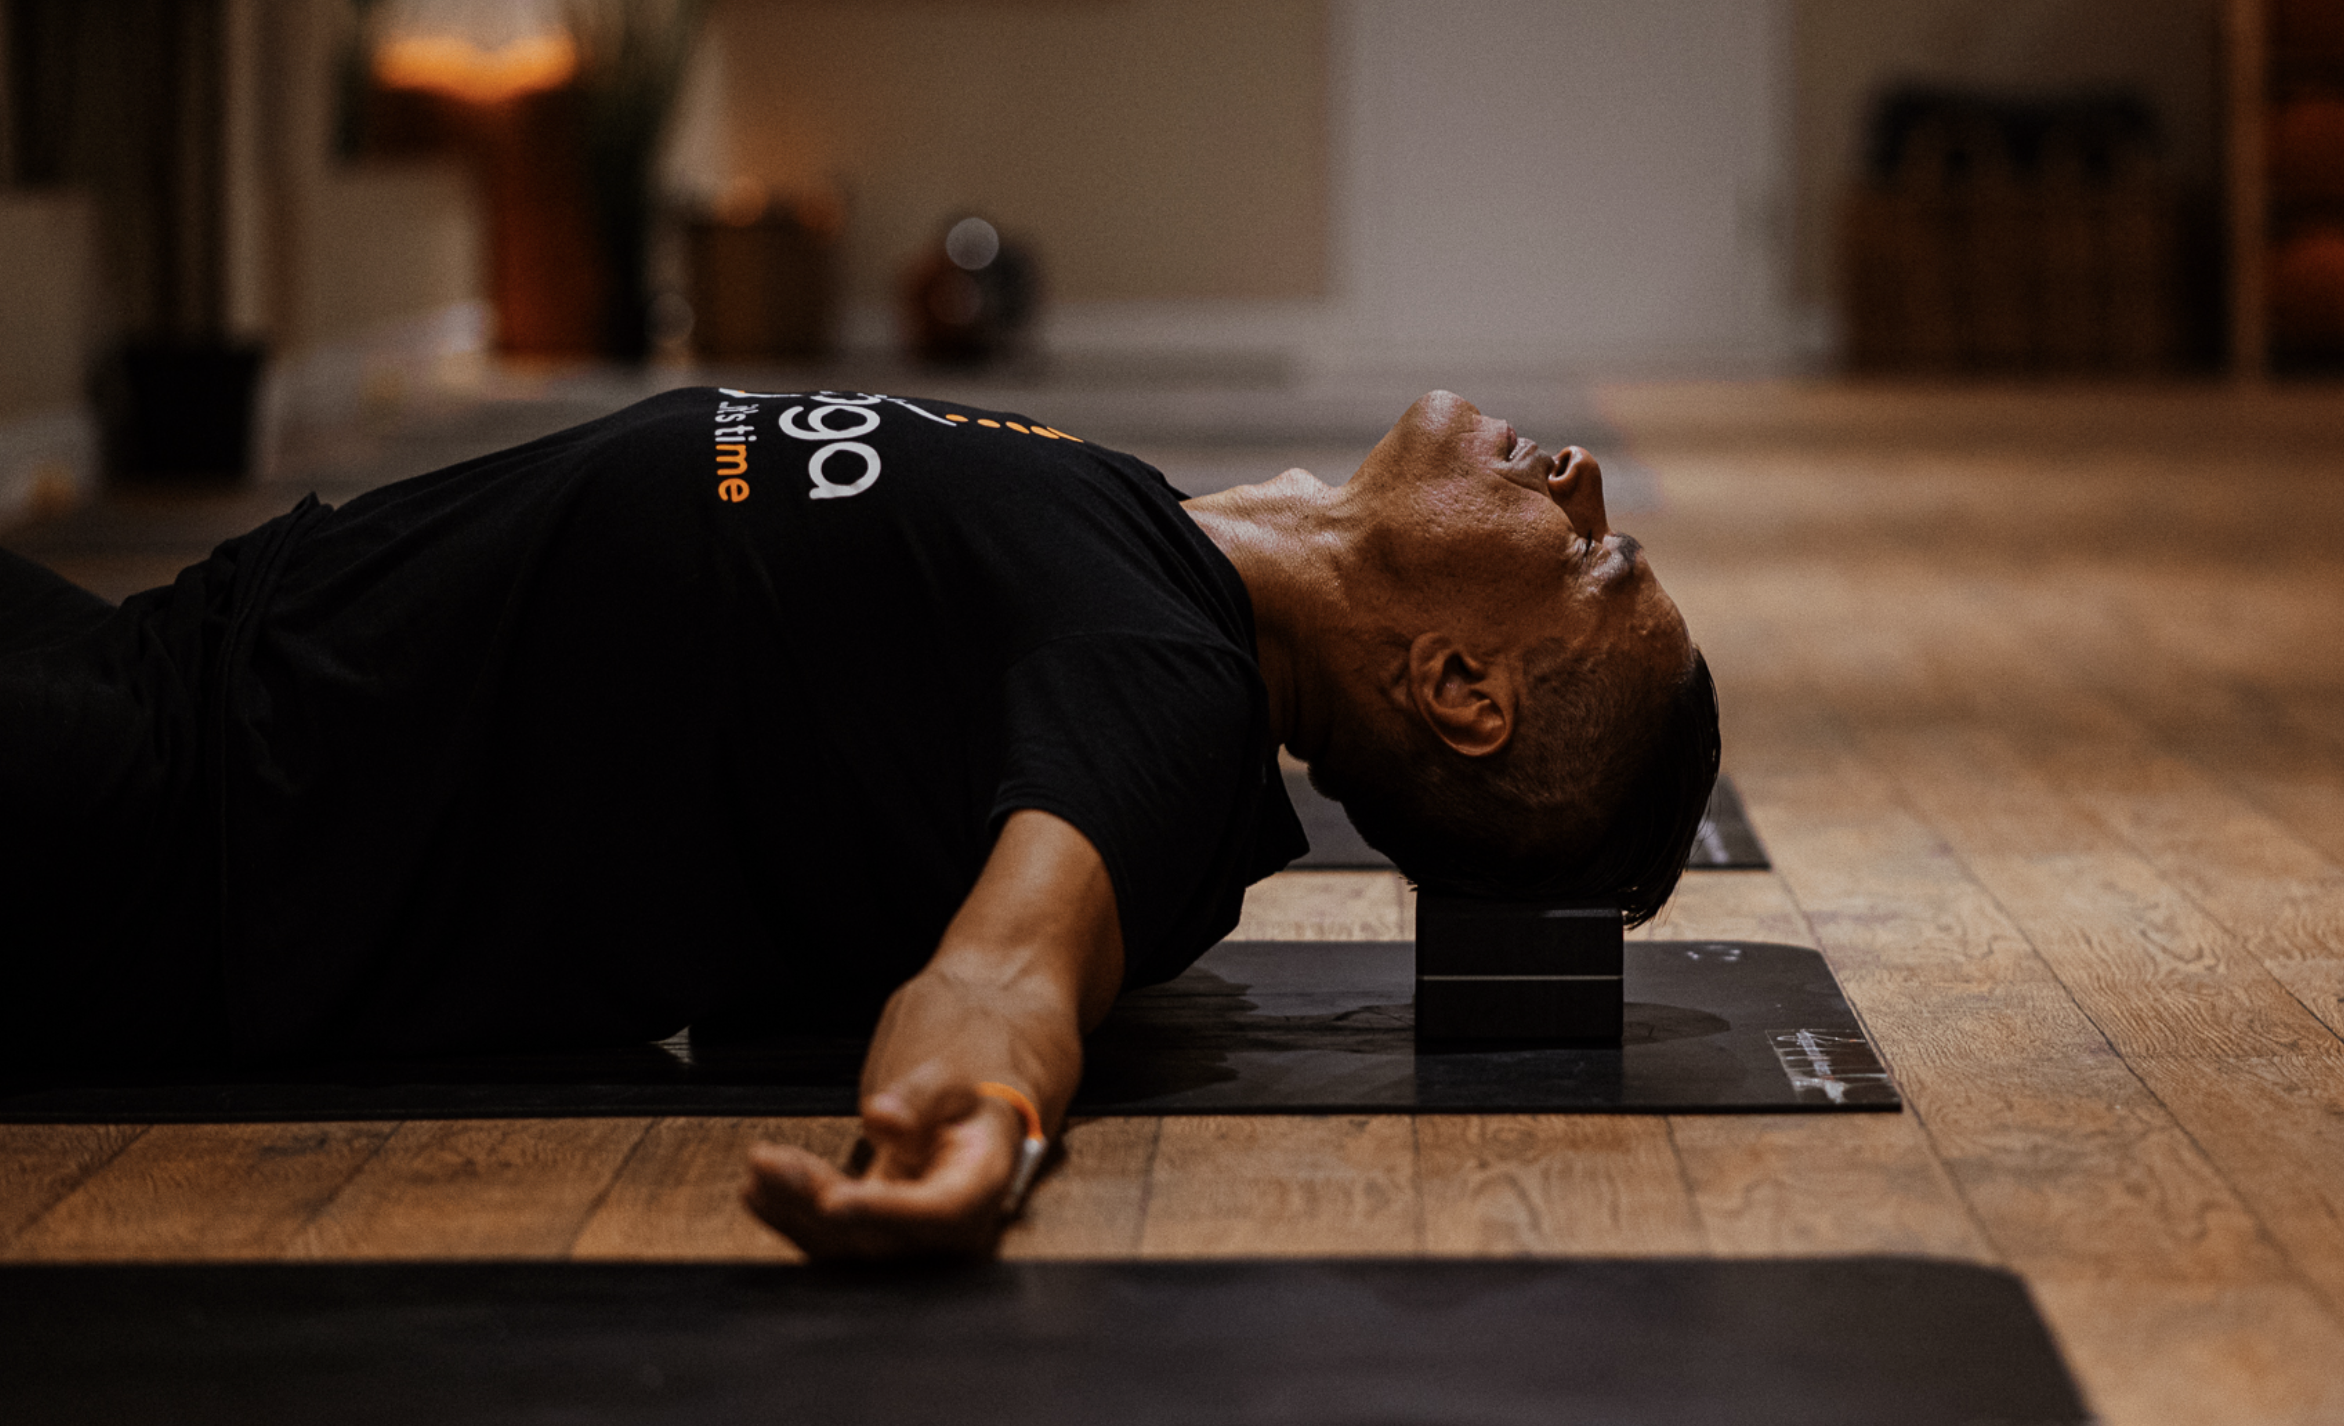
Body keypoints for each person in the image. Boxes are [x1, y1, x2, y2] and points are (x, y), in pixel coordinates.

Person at [0, 386, 1716, 1257]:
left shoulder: (1165, 692)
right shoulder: (1172, 561)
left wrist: (973, 1120)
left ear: (1463, 691)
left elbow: (1017, 960)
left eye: (1590, 558)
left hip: (167, 827)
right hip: (191, 647)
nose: (1575, 482)